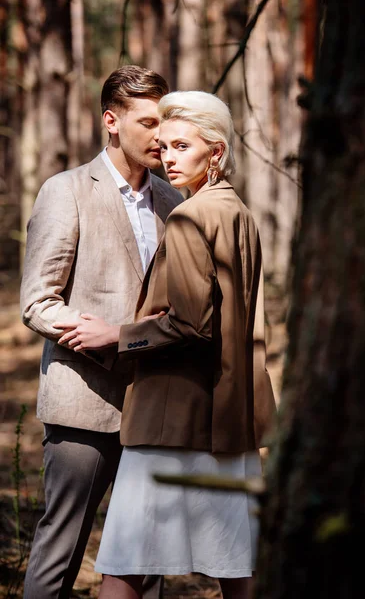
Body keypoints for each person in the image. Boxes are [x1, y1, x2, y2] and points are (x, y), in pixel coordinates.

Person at [55, 91, 276, 599]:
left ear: (215, 152)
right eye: (164, 146)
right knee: (238, 568)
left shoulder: (190, 217)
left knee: (123, 567)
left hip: (171, 418)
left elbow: (189, 324)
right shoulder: (237, 212)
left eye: (182, 146)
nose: (168, 157)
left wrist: (117, 334)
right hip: (226, 419)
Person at [20, 66, 183, 599]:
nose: (160, 135)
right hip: (82, 405)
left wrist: (125, 334)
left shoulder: (174, 203)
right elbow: (39, 301)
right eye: (148, 122)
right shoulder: (64, 190)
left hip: (156, 406)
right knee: (59, 552)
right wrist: (95, 337)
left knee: (148, 560)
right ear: (111, 121)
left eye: (167, 121)